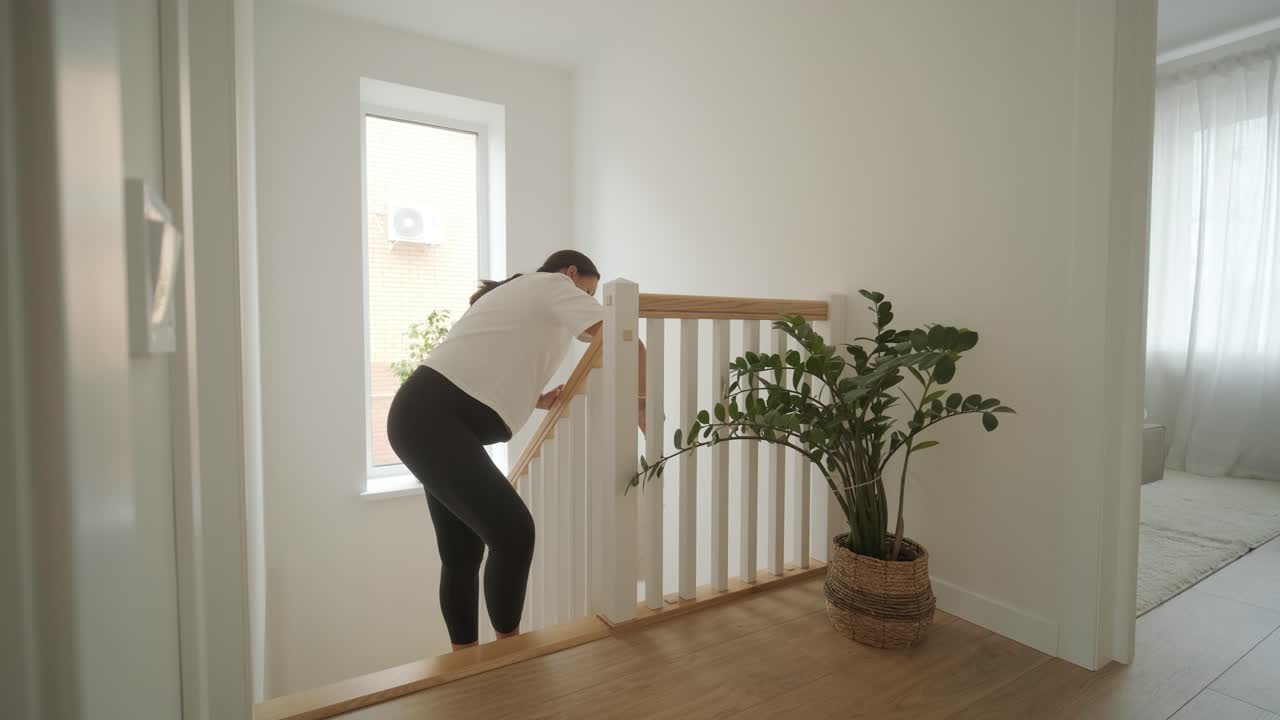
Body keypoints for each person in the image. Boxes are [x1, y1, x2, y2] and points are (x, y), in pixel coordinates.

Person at [386, 250, 646, 650]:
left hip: (424, 418)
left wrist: (535, 398)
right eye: (590, 292)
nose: (589, 302)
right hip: (432, 420)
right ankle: (509, 652)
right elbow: (622, 334)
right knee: (514, 534)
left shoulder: (519, 291)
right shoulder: (552, 284)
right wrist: (642, 404)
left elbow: (485, 360)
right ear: (570, 272)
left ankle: (466, 662)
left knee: (463, 552)